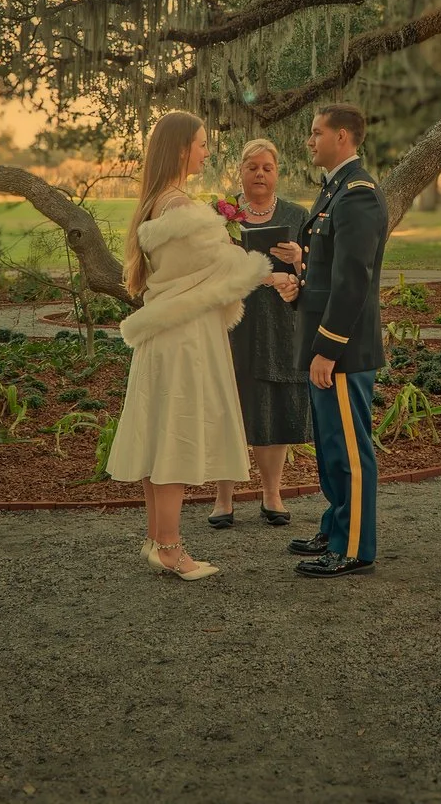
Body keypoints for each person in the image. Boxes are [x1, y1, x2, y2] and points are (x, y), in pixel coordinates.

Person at [106, 110, 298, 580]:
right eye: (201, 143)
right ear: (180, 149)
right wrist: (275, 275)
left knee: (159, 435)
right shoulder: (178, 208)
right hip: (183, 338)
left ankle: (157, 540)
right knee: (174, 436)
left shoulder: (163, 202)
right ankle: (171, 547)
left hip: (166, 335)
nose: (207, 151)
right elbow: (223, 268)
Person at [287, 101, 389, 579]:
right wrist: (297, 287)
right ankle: (335, 527)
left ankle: (354, 548)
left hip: (342, 350)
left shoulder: (359, 195)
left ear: (342, 138)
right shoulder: (335, 191)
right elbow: (327, 273)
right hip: (325, 346)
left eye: (316, 132)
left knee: (349, 450)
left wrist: (327, 349)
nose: (310, 140)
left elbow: (353, 282)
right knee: (331, 448)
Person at [209, 138, 312, 530]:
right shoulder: (221, 214)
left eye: (267, 168)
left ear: (277, 173)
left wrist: (298, 263)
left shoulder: (296, 215)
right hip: (232, 323)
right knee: (229, 405)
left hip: (280, 325)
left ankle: (272, 493)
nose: (260, 175)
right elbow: (206, 267)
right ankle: (223, 498)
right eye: (252, 167)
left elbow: (315, 274)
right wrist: (260, 274)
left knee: (274, 404)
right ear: (240, 171)